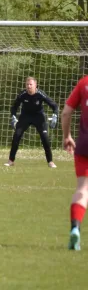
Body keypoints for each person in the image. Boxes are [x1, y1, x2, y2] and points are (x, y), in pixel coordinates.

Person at [5, 77, 58, 168]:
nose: (28, 86)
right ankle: (11, 161)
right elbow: (14, 107)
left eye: (30, 84)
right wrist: (13, 116)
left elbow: (54, 106)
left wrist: (55, 116)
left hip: (39, 117)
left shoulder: (40, 94)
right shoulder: (22, 94)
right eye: (27, 84)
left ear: (35, 85)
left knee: (45, 138)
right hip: (25, 116)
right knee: (16, 135)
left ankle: (50, 162)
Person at [62, 75, 88, 250]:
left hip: (84, 145)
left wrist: (67, 136)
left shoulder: (84, 82)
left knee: (82, 189)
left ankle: (75, 229)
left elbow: (66, 112)